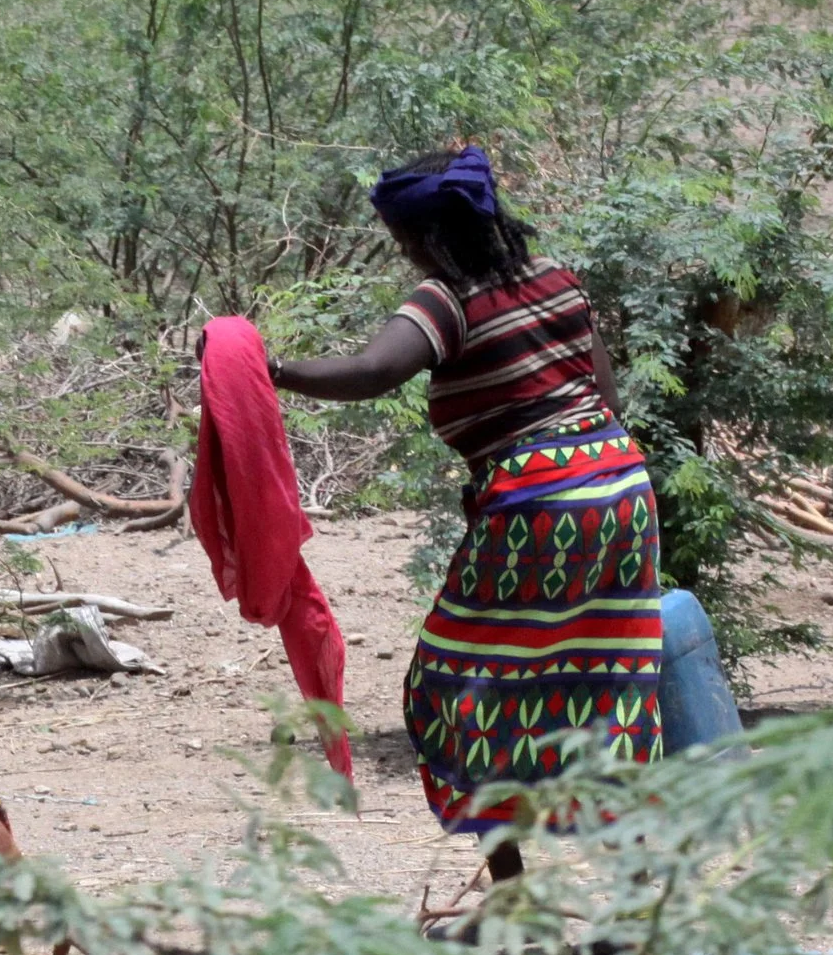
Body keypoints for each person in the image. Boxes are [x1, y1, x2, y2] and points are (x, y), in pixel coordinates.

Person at [268, 144, 663, 895]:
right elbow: (606, 402)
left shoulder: (445, 299)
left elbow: (374, 370)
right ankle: (638, 888)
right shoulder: (556, 281)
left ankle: (513, 895)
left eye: (403, 239)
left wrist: (273, 368)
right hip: (620, 489)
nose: (402, 252)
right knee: (604, 682)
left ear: (430, 237)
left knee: (451, 688)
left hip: (538, 504)